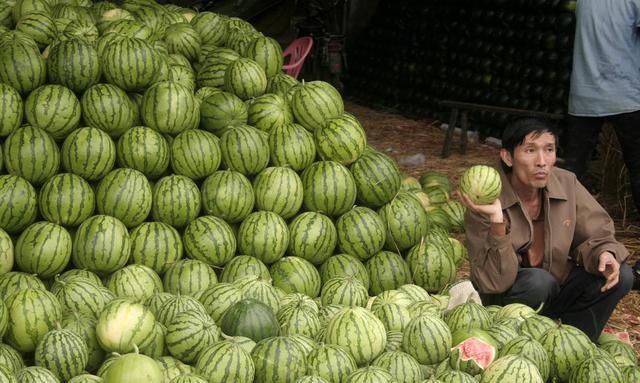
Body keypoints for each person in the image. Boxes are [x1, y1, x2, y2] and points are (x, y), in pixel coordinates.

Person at [460, 118, 633, 342]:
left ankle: (574, 343)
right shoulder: (485, 199)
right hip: (506, 300)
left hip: (554, 290)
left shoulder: (566, 183)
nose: (542, 161)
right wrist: (496, 220)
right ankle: (517, 344)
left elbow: (597, 231)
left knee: (623, 275)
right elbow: (493, 282)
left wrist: (605, 253)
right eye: (530, 150)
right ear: (508, 157)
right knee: (538, 282)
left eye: (549, 150)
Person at [564, 0, 640, 217]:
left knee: (573, 171)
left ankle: (562, 225)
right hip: (626, 94)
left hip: (583, 94)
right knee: (638, 166)